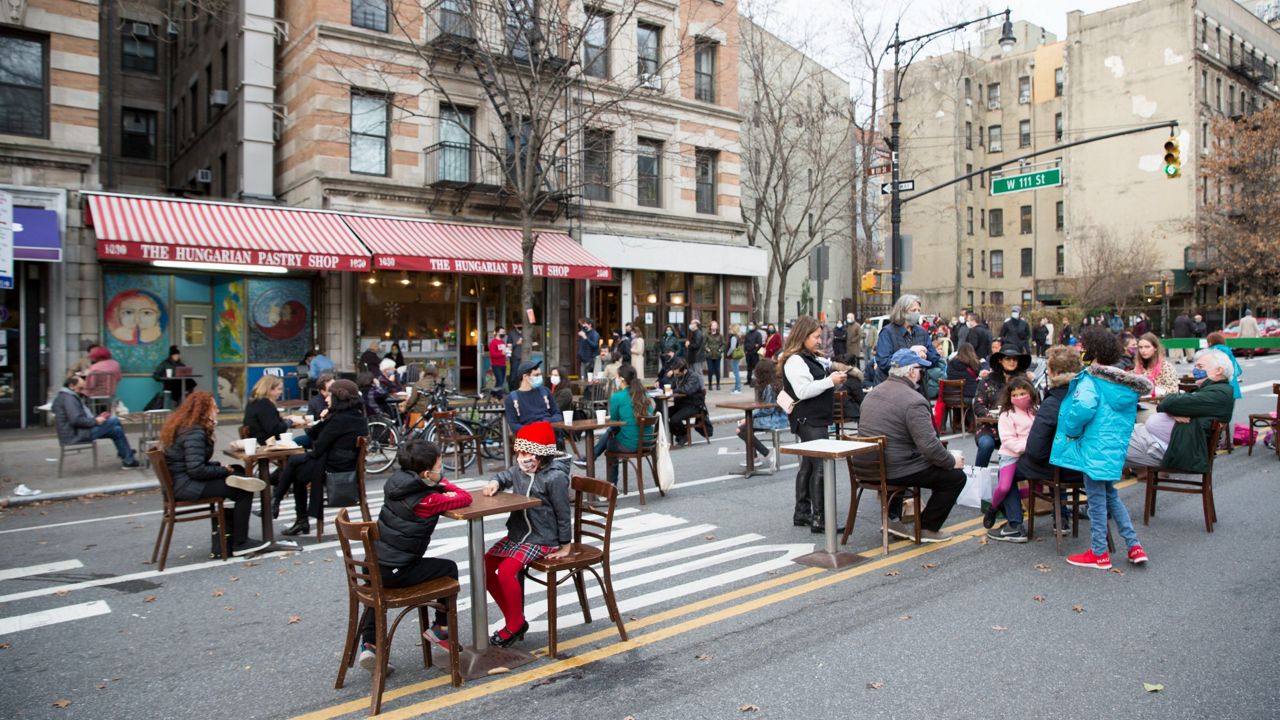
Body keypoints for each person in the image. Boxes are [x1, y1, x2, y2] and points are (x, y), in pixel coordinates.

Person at [358, 440, 472, 668]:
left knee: (377, 583)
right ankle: (441, 629)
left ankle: (369, 644)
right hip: (397, 570)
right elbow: (464, 498)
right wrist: (442, 483)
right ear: (427, 472)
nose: (442, 470)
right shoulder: (427, 500)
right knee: (449, 568)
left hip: (372, 564)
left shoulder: (395, 484)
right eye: (440, 466)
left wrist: (433, 483)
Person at [1050, 325, 1153, 570]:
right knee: (1110, 496)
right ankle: (1134, 545)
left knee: (1096, 500)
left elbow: (1083, 408)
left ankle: (1099, 552)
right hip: (1113, 447)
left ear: (1092, 352)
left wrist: (1072, 431)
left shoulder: (1092, 379)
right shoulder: (1123, 384)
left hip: (1093, 446)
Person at [480, 421, 573, 647]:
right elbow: (506, 475)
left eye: (528, 453)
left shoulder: (555, 477)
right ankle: (516, 619)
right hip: (519, 534)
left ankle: (513, 624)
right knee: (483, 566)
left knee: (505, 571)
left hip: (543, 538)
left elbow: (563, 513)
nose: (522, 458)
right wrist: (495, 482)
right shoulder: (520, 470)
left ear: (542, 454)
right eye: (520, 452)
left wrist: (565, 545)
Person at [857, 349, 965, 542]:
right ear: (911, 371)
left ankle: (892, 518)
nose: (921, 374)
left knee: (901, 453)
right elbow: (929, 447)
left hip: (866, 467)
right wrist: (951, 461)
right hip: (895, 469)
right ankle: (927, 528)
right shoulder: (914, 400)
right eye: (920, 370)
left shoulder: (873, 394)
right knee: (955, 478)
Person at [160, 391, 266, 557]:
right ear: (203, 411)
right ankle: (241, 542)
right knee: (243, 491)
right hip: (187, 486)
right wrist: (223, 470)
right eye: (214, 407)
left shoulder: (185, 427)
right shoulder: (195, 432)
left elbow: (191, 464)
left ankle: (234, 538)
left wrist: (219, 467)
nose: (217, 411)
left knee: (239, 472)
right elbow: (196, 470)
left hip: (180, 482)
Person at [274, 379, 369, 536]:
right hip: (341, 465)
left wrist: (327, 419)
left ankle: (289, 511)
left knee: (296, 466)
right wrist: (327, 417)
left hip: (335, 470)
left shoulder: (340, 420)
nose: (326, 399)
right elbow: (313, 437)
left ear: (338, 398)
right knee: (297, 466)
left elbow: (317, 447)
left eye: (329, 396)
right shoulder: (355, 416)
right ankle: (283, 506)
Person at [779, 316, 846, 533]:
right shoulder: (795, 360)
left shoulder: (807, 357)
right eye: (816, 336)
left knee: (808, 465)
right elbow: (803, 391)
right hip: (809, 419)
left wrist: (831, 380)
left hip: (811, 418)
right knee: (820, 466)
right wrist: (830, 381)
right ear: (803, 336)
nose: (819, 340)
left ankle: (802, 512)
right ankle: (820, 518)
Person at [1124, 349, 1236, 473]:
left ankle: (1104, 491)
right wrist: (1173, 412)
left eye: (1200, 366)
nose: (1195, 370)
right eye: (1195, 366)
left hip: (1168, 449)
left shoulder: (1219, 394)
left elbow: (1168, 402)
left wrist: (1172, 408)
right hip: (1160, 441)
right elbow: (1170, 404)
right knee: (1111, 436)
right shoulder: (1214, 390)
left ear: (1218, 370)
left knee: (1107, 445)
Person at [1015, 345, 1085, 533]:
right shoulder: (1091, 398)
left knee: (1011, 469)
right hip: (1088, 467)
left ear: (1052, 372)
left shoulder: (1053, 403)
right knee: (1055, 456)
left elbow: (1035, 450)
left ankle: (1014, 524)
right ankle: (1061, 516)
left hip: (1062, 469)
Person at [984, 377, 1039, 541]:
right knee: (1003, 487)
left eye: (1023, 393)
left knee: (1037, 486)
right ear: (1009, 397)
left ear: (1030, 392)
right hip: (1011, 455)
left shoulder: (1036, 410)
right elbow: (1008, 441)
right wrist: (1029, 445)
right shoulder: (1007, 415)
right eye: (1015, 394)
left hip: (1030, 456)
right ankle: (993, 508)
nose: (1020, 397)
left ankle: (1014, 519)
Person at [53, 375, 139, 468]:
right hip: (76, 434)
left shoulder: (66, 396)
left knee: (116, 430)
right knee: (114, 420)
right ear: (71, 386)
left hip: (77, 432)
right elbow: (76, 420)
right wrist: (96, 421)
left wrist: (96, 419)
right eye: (80, 388)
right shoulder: (69, 398)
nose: (82, 391)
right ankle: (127, 455)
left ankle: (128, 459)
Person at [594, 364, 655, 486]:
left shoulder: (617, 397)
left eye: (616, 377)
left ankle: (611, 485)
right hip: (648, 442)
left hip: (631, 444)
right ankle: (591, 456)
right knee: (610, 435)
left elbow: (615, 424)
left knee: (610, 441)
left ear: (621, 379)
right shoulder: (644, 394)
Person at [973, 346, 1032, 468]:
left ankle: (1010, 481)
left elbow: (1035, 403)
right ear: (1000, 360)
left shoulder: (1024, 381)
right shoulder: (987, 380)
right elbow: (978, 406)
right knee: (986, 444)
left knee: (1026, 446)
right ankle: (977, 475)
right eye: (1008, 359)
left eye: (1015, 359)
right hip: (990, 427)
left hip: (1018, 428)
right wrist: (994, 415)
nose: (1012, 362)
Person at [874, 295, 942, 384]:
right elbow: (883, 362)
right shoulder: (887, 332)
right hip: (892, 386)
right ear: (902, 312)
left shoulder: (921, 332)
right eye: (913, 310)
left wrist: (924, 354)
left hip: (917, 385)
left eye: (919, 310)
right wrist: (910, 353)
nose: (917, 313)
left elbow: (935, 358)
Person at [735, 358, 789, 470]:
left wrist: (749, 417)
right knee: (746, 427)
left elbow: (767, 409)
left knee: (741, 429)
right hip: (780, 417)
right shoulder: (776, 383)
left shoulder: (769, 387)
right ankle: (754, 458)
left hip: (776, 419)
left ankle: (767, 454)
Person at [244, 375, 308, 447]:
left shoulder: (255, 401)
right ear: (269, 389)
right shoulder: (264, 404)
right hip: (265, 444)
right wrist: (291, 421)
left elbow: (267, 421)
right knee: (300, 447)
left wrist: (284, 419)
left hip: (258, 441)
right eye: (279, 389)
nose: (281, 392)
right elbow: (275, 429)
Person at [504, 360, 561, 434]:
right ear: (525, 377)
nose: (540, 377)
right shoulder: (511, 398)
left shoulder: (545, 391)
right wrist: (533, 430)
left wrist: (546, 423)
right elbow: (513, 425)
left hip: (549, 435)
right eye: (536, 375)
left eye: (540, 374)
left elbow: (557, 414)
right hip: (529, 440)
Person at [666, 358, 709, 447]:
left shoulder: (693, 376)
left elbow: (687, 390)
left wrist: (673, 391)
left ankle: (683, 435)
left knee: (674, 419)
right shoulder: (677, 376)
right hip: (680, 404)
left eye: (678, 373)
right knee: (663, 414)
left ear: (684, 370)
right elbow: (671, 386)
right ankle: (681, 435)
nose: (676, 374)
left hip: (693, 405)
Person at [1132, 333, 1178, 398]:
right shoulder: (1138, 366)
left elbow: (1173, 391)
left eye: (1147, 347)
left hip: (1160, 403)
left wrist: (1155, 391)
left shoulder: (1166, 367)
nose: (1143, 350)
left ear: (1155, 348)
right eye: (1140, 347)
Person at [1206, 331, 1243, 399]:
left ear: (1210, 342)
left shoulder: (1215, 350)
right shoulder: (1227, 349)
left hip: (1221, 381)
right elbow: (1236, 367)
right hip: (1231, 380)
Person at [704, 320, 725, 391]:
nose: (714, 327)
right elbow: (703, 344)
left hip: (717, 355)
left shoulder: (720, 335)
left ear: (717, 327)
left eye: (715, 325)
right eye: (713, 325)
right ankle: (710, 384)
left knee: (717, 370)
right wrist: (707, 349)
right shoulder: (707, 334)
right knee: (710, 370)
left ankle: (718, 384)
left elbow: (723, 344)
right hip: (709, 355)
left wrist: (720, 350)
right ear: (710, 326)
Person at [487, 327, 509, 393]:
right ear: (497, 332)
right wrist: (502, 353)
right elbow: (492, 354)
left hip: (503, 364)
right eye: (502, 332)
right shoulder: (493, 342)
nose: (503, 333)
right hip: (496, 365)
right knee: (499, 381)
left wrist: (507, 352)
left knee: (501, 382)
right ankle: (500, 398)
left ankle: (493, 396)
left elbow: (504, 352)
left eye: (504, 332)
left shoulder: (502, 342)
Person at [726, 323, 744, 394]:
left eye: (730, 328)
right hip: (737, 356)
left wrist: (728, 353)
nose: (729, 330)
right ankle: (737, 387)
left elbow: (732, 347)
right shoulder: (737, 336)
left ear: (733, 329)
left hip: (734, 356)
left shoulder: (733, 337)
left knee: (736, 373)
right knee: (736, 372)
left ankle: (738, 388)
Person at [506, 323, 525, 391]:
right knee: (513, 376)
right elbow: (508, 347)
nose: (520, 326)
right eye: (518, 325)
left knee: (522, 376)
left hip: (524, 357)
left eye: (521, 324)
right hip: (515, 358)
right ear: (515, 325)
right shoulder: (511, 334)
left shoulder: (524, 332)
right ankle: (511, 391)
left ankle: (520, 391)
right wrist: (516, 343)